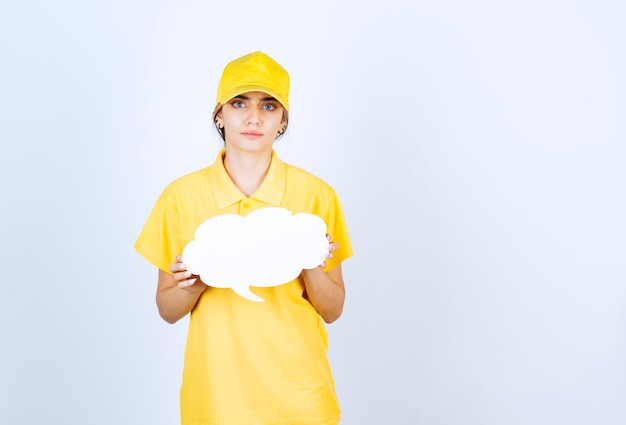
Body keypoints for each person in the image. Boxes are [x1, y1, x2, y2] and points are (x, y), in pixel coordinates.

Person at [134, 51, 353, 425]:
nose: (254, 117)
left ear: (283, 120)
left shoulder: (316, 195)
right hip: (216, 401)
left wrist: (311, 262)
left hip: (301, 398)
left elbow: (332, 310)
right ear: (219, 114)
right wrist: (195, 282)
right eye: (239, 103)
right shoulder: (181, 197)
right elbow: (166, 309)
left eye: (269, 106)